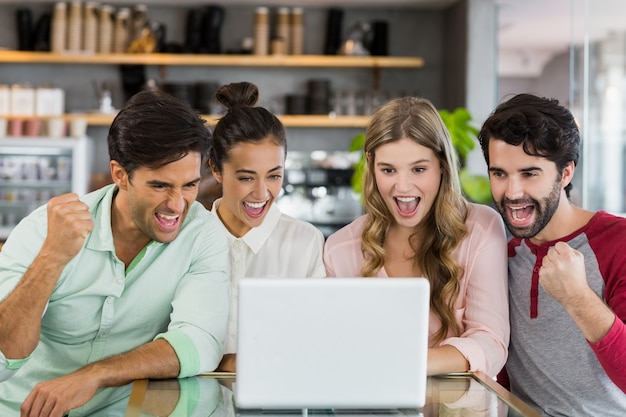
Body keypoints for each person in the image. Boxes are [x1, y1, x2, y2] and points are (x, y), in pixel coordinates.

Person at [0, 89, 230, 417]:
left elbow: (200, 343)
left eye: (190, 185)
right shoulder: (43, 229)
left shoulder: (202, 233)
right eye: (160, 186)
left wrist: (95, 375)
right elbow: (3, 358)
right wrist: (52, 257)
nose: (178, 205)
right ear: (120, 174)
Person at [324, 96, 509, 377]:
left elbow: (491, 343)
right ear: (371, 166)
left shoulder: (481, 229)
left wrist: (403, 364)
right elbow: (334, 347)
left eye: (419, 169)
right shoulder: (340, 249)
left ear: (442, 166)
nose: (403, 186)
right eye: (388, 170)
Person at [478, 93, 626, 415]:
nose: (512, 193)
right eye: (499, 173)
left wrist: (577, 298)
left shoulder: (619, 243)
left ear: (566, 173)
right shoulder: (503, 255)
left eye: (529, 174)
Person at [207, 82, 326, 372]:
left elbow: (316, 341)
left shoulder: (305, 241)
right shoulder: (188, 238)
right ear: (215, 170)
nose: (262, 194)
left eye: (274, 176)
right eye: (246, 178)